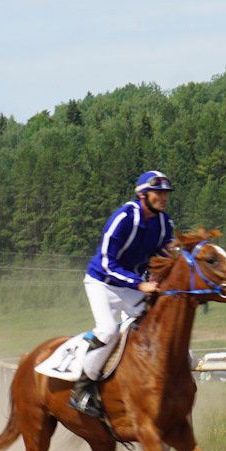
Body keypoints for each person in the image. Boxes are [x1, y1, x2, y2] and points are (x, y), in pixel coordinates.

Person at [71, 170, 177, 418]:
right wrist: (140, 284)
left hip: (132, 285)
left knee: (157, 324)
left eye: (166, 193)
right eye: (158, 192)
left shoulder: (165, 223)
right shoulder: (123, 217)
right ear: (142, 194)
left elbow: (164, 259)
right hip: (101, 283)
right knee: (108, 330)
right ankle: (81, 389)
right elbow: (107, 263)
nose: (163, 197)